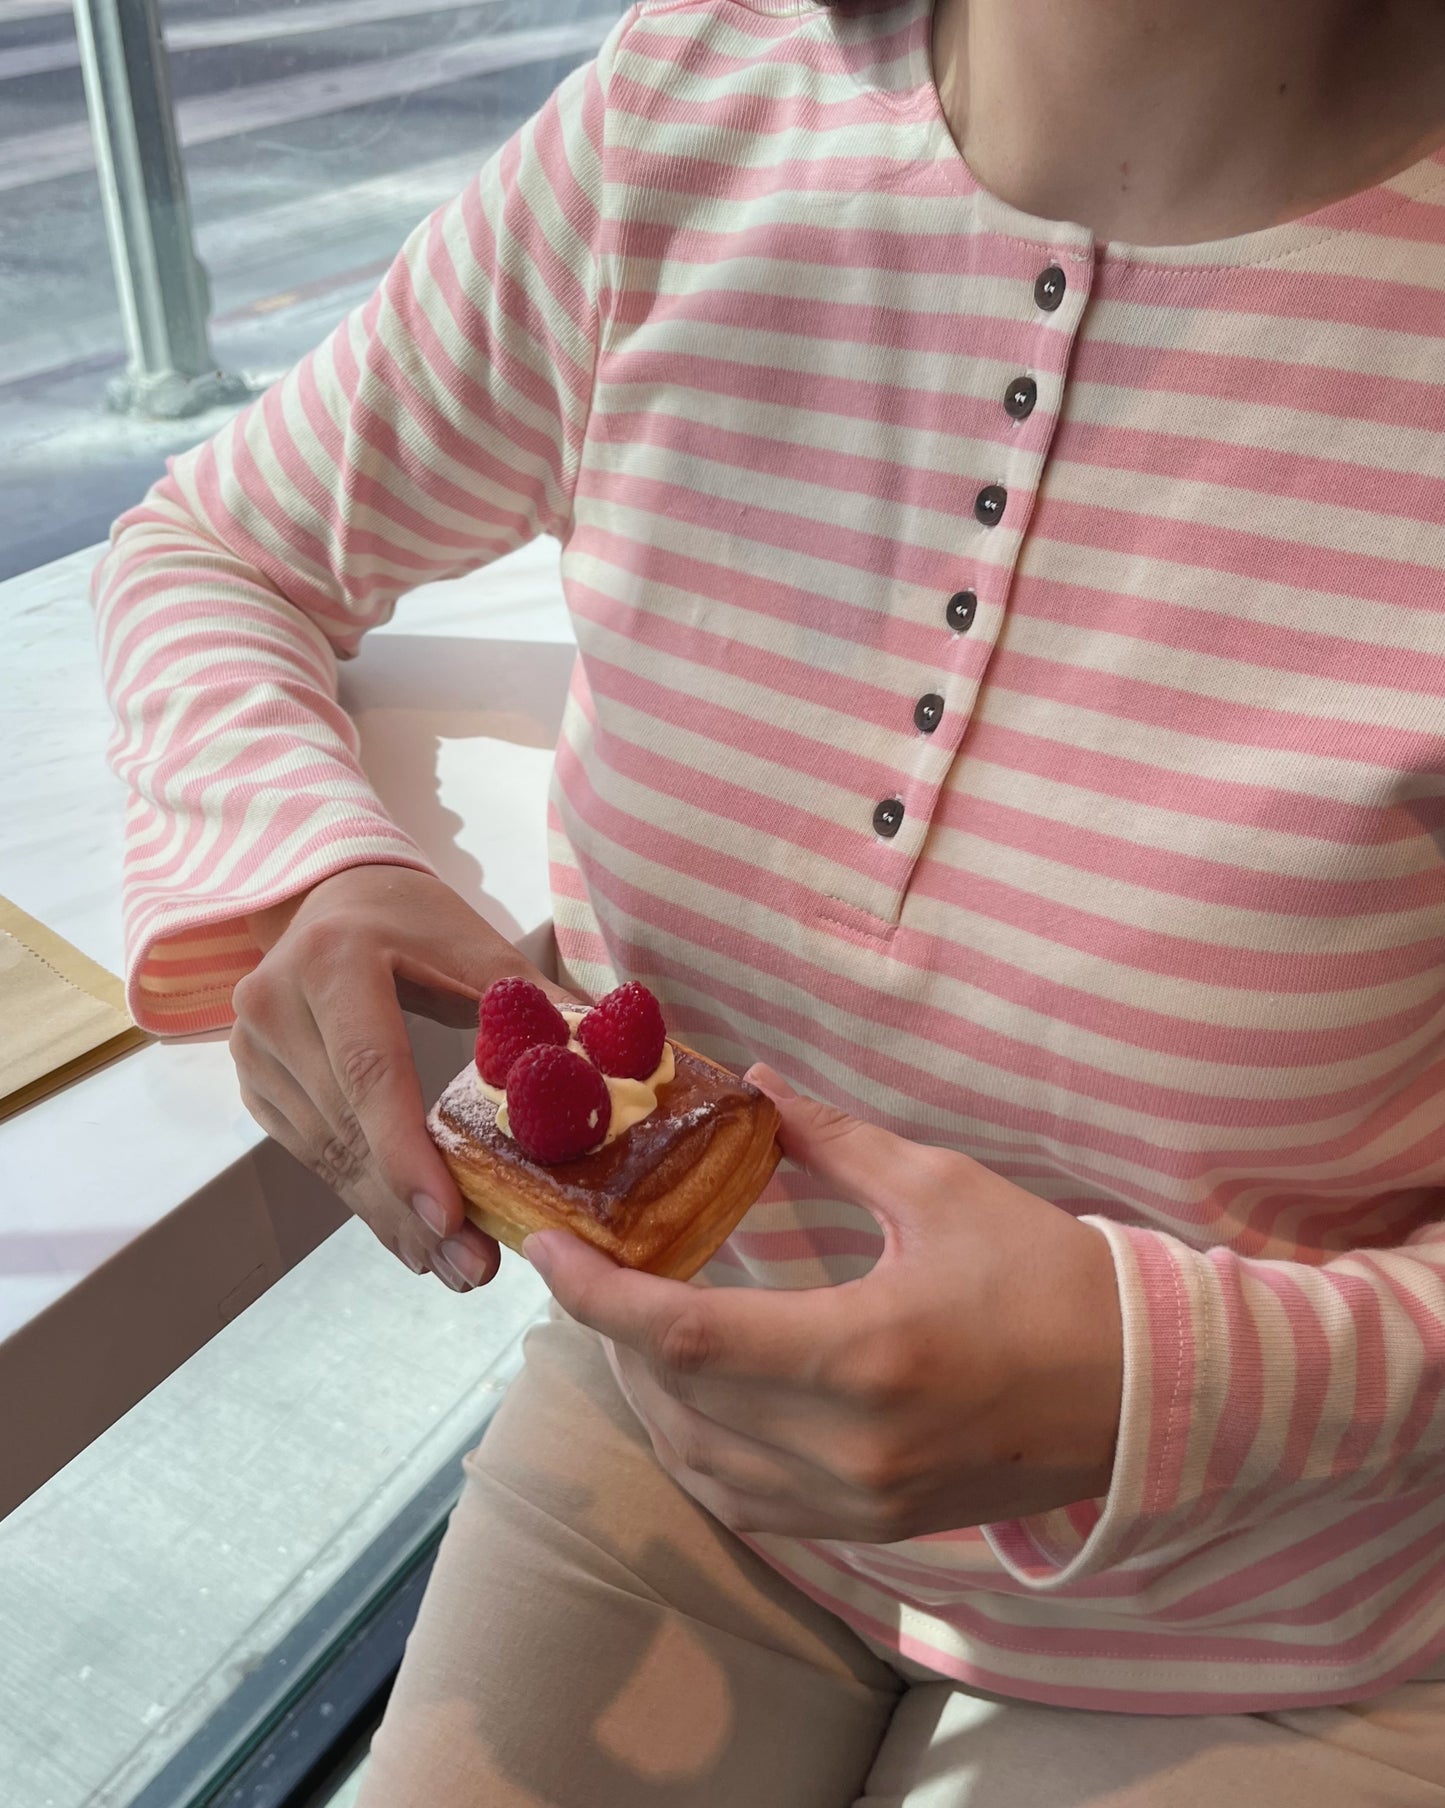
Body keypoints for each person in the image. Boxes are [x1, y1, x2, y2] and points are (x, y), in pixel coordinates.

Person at [92, 0, 1445, 1799]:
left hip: (1304, 1619)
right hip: (676, 1457)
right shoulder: (688, 111)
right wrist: (316, 859)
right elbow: (214, 548)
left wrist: (1154, 1375)